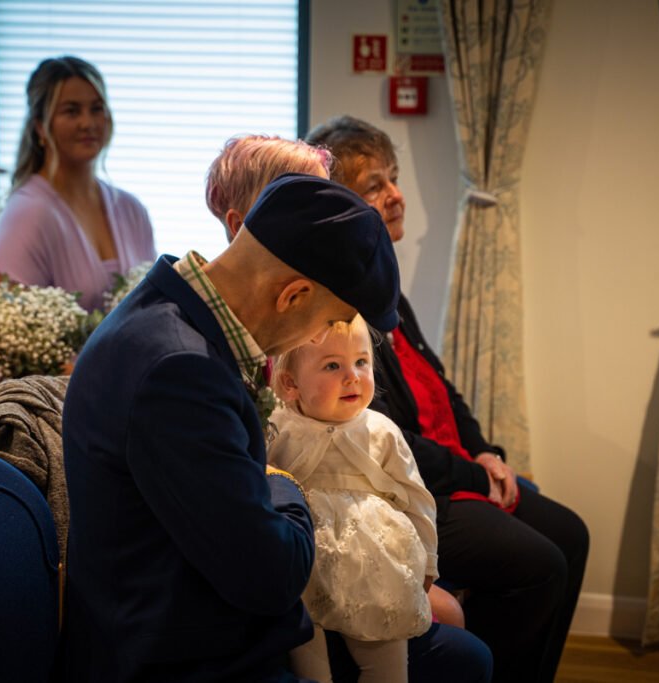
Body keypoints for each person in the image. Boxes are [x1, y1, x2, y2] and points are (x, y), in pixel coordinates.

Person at [61, 173, 402, 681]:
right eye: (327, 323)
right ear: (293, 295)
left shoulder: (156, 312)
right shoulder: (179, 370)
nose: (315, 338)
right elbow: (269, 577)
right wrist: (286, 484)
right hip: (189, 660)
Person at [306, 115, 590, 683]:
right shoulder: (336, 308)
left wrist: (486, 452)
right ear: (340, 207)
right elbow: (387, 439)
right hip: (405, 492)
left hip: (449, 469)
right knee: (540, 564)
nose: (395, 196)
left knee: (570, 533)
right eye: (374, 186)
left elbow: (441, 387)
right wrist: (473, 475)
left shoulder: (386, 288)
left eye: (393, 178)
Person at [206, 134, 489, 682]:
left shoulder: (346, 351)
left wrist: (422, 561)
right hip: (290, 569)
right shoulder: (234, 358)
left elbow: (409, 475)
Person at [269, 315, 437, 683]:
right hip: (306, 566)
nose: (353, 376)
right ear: (289, 383)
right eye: (332, 366)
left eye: (362, 362)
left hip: (376, 566)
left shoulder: (381, 431)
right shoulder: (278, 428)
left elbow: (417, 498)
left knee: (387, 665)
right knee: (308, 658)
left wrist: (429, 562)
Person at [0, 55, 156, 312]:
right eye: (71, 111)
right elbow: (17, 334)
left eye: (96, 109)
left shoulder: (131, 209)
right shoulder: (25, 216)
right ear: (40, 127)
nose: (87, 123)